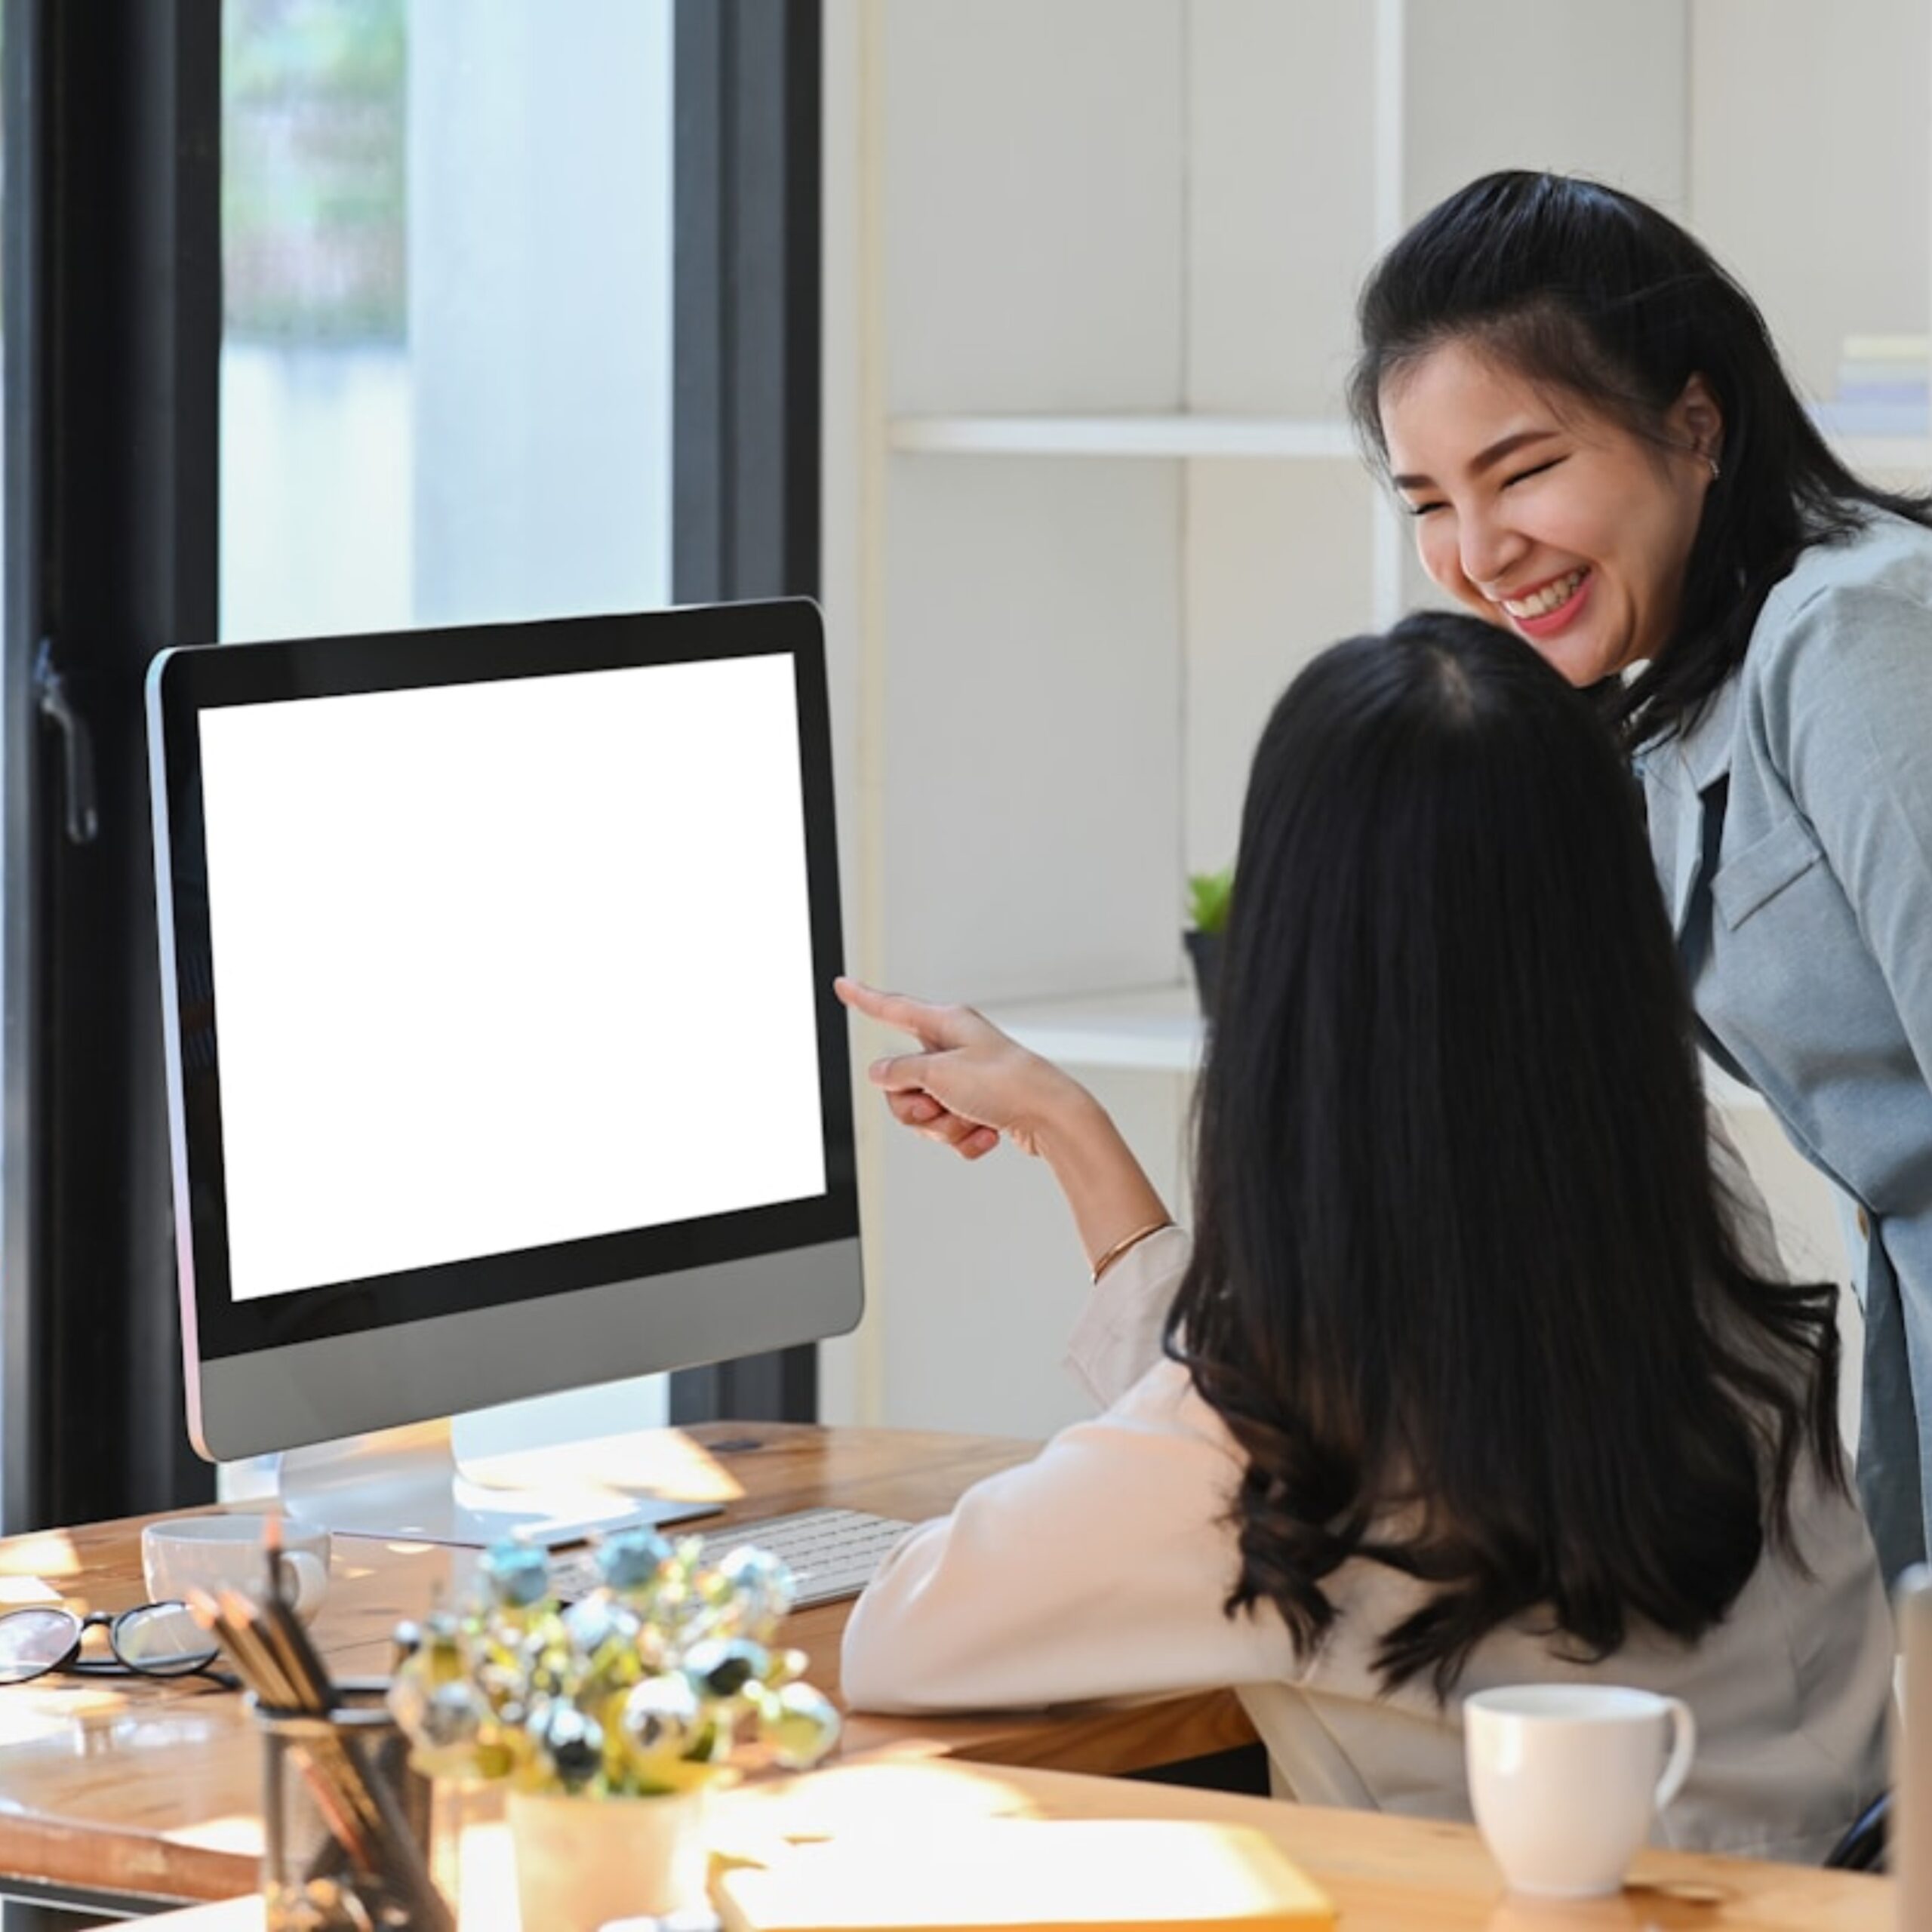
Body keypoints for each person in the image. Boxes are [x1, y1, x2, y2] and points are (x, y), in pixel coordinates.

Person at [837, 615, 1889, 1861]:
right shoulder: (1688, 1242)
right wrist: (1073, 1134)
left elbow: (903, 1634)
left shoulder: (1272, 1447)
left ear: (1288, 980)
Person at [1348, 168, 1932, 1583]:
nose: (1479, 554)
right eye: (1431, 500)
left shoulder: (1852, 637)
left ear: (1696, 423)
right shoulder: (1666, 703)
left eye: (1522, 471)